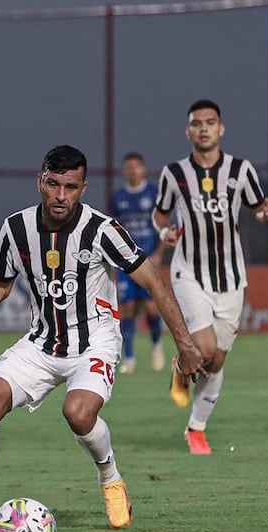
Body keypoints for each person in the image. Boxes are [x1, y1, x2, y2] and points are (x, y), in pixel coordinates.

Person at [0, 145, 204, 532]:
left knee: (77, 412)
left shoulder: (102, 230)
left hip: (95, 342)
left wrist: (186, 346)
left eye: (71, 187)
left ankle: (110, 479)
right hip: (41, 344)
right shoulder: (16, 228)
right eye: (54, 184)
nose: (61, 196)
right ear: (40, 181)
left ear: (83, 188)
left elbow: (153, 280)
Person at [152, 99, 268, 455]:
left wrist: (267, 213)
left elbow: (258, 207)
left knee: (217, 361)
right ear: (188, 131)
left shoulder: (241, 171)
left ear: (221, 129)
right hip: (188, 271)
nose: (204, 128)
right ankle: (184, 366)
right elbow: (160, 215)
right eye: (198, 123)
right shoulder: (174, 174)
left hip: (230, 277)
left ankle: (196, 427)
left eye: (211, 122)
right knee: (204, 348)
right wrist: (164, 234)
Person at [110, 152, 166, 375]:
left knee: (152, 309)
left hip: (148, 260)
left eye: (137, 166)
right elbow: (112, 228)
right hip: (125, 263)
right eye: (129, 167)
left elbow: (163, 224)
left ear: (143, 169)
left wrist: (160, 252)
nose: (133, 170)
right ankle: (130, 358)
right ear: (125, 171)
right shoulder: (118, 197)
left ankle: (156, 346)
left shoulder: (153, 193)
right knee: (128, 309)